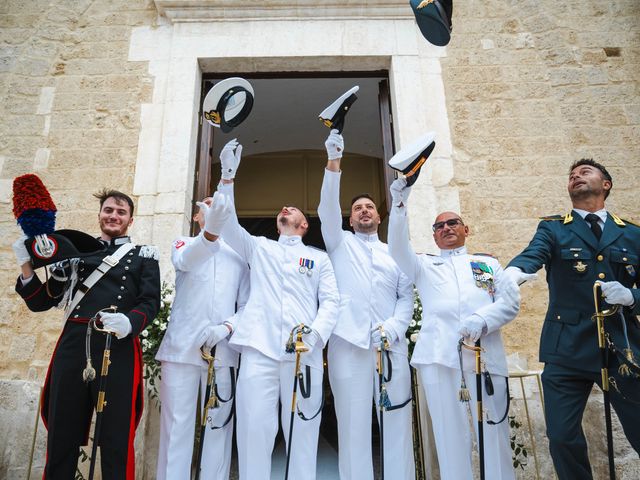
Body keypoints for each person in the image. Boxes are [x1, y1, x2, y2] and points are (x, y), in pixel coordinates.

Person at [211, 139, 340, 480]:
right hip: (259, 350)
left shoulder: (319, 257)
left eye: (293, 208)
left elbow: (330, 302)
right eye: (282, 208)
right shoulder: (259, 248)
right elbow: (225, 224)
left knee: (302, 431)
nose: (286, 208)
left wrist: (315, 334)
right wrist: (227, 177)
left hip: (303, 351)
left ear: (304, 224)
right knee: (254, 431)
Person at [505, 158, 640, 479]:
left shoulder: (633, 234)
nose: (576, 177)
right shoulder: (553, 228)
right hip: (567, 350)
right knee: (563, 438)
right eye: (571, 175)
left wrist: (632, 296)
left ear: (605, 184)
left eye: (585, 172)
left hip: (623, 348)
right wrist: (512, 274)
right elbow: (533, 254)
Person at [13, 189, 161, 479]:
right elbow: (41, 302)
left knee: (117, 436)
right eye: (108, 210)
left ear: (130, 220)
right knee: (62, 431)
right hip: (74, 345)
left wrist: (129, 322)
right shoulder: (73, 252)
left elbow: (150, 302)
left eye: (121, 212)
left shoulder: (142, 256)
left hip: (116, 346)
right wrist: (27, 265)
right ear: (99, 215)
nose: (113, 216)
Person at [388, 173, 519, 480]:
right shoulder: (424, 265)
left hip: (482, 358)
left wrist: (484, 320)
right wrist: (399, 203)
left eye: (452, 223)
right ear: (434, 236)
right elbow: (396, 248)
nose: (446, 228)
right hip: (439, 360)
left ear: (466, 229)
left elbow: (505, 302)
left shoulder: (483, 266)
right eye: (439, 226)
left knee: (493, 435)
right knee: (449, 441)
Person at [318, 129, 415, 479]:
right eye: (357, 208)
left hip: (392, 347)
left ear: (378, 216)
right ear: (349, 219)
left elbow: (407, 297)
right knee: (353, 428)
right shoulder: (339, 242)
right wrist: (334, 162)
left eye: (369, 207)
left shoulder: (395, 253)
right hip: (348, 345)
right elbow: (326, 209)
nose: (363, 211)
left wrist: (393, 328)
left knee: (396, 424)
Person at [154, 194, 249, 480]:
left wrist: (228, 327)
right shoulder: (183, 243)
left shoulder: (239, 257)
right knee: (176, 428)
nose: (212, 207)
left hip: (221, 352)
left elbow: (246, 304)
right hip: (181, 350)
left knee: (218, 427)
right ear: (197, 216)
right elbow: (187, 260)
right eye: (207, 204)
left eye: (218, 205)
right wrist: (212, 231)